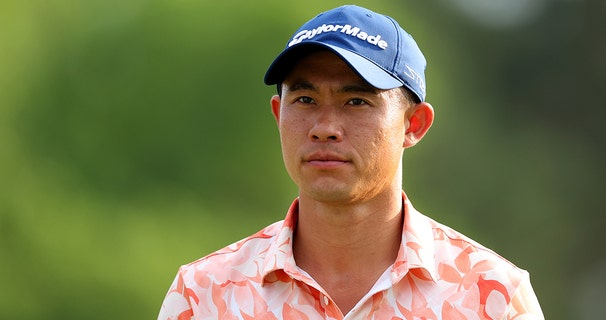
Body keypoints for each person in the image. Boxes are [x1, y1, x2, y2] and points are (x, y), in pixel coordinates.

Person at [158, 5, 544, 319]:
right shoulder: (204, 295)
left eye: (356, 101)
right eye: (305, 100)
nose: (324, 128)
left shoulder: (491, 297)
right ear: (279, 115)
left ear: (414, 124)